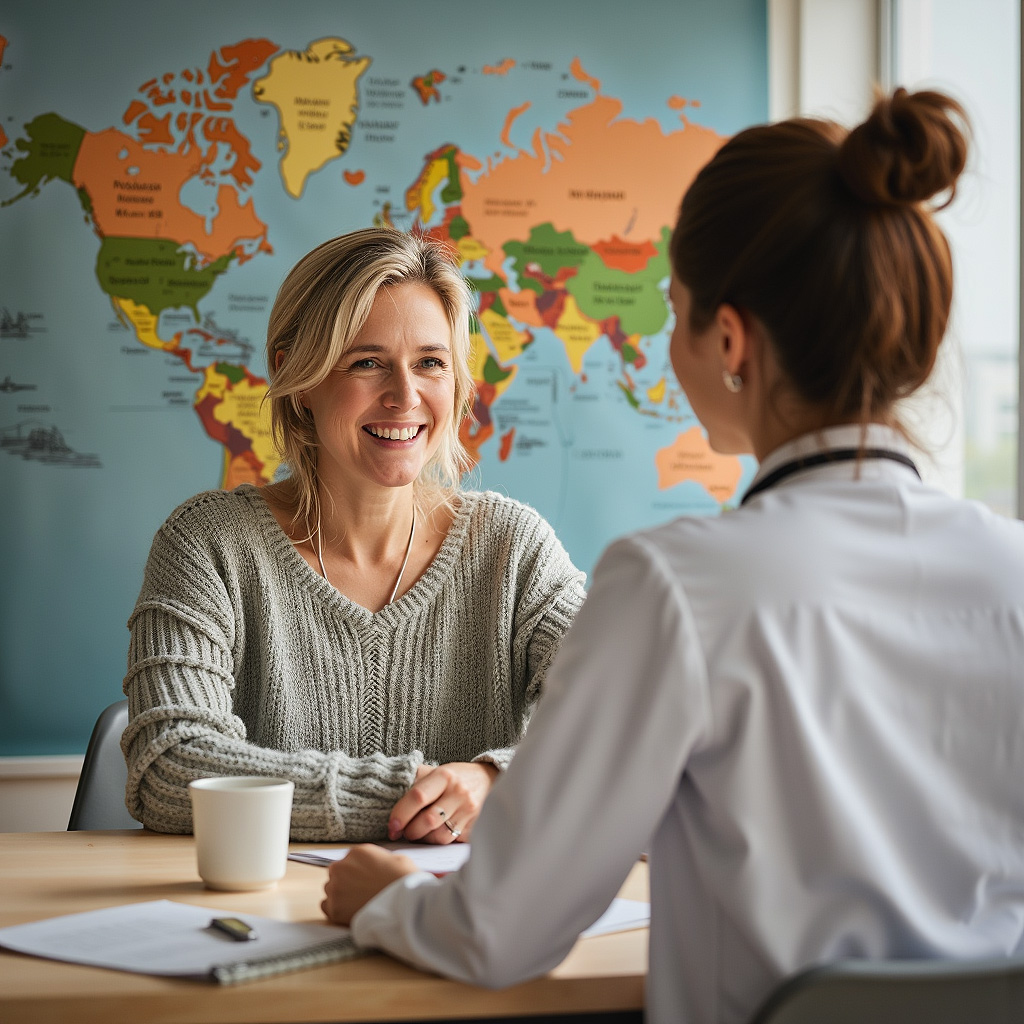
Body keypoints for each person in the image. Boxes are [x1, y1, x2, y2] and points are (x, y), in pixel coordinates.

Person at [321, 89, 1024, 1023]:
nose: (666, 338)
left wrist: (385, 900)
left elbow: (498, 933)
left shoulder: (676, 586)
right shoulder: (1012, 569)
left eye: (676, 310)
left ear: (729, 338)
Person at [121, 227, 586, 843]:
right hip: (263, 922)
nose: (405, 395)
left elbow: (628, 720)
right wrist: (421, 802)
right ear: (299, 378)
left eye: (430, 363)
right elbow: (169, 764)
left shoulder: (514, 548)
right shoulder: (207, 545)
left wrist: (497, 782)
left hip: (457, 928)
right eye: (366, 362)